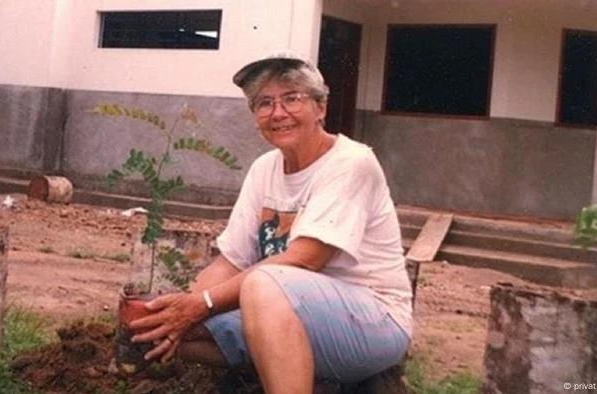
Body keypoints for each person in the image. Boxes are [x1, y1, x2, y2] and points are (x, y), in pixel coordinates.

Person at [128, 52, 413, 393]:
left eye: (292, 98)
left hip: (373, 322)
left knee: (262, 284)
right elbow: (232, 260)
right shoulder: (265, 168)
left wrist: (201, 305)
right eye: (264, 103)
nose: (278, 113)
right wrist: (181, 307)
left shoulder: (352, 162)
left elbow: (306, 259)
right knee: (155, 325)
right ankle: (305, 378)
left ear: (320, 108)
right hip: (289, 315)